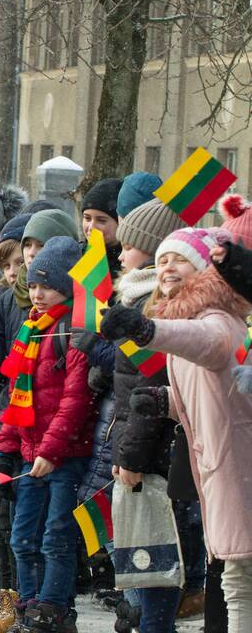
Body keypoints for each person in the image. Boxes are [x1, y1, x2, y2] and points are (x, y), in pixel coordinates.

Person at [101, 226, 252, 633]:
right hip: (221, 464)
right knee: (233, 573)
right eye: (162, 259)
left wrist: (148, 330)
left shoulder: (215, 320)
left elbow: (207, 344)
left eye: (180, 259)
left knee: (238, 579)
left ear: (206, 270)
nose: (166, 267)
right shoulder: (191, 319)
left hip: (237, 466)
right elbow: (211, 390)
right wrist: (166, 402)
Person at [0, 236, 97, 633]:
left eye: (47, 286)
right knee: (22, 538)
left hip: (63, 457)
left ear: (69, 288)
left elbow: (75, 400)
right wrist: (5, 449)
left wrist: (51, 450)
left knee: (56, 537)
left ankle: (52, 609)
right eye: (33, 285)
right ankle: (29, 604)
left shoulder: (73, 332)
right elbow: (17, 397)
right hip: (28, 454)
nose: (36, 293)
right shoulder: (32, 330)